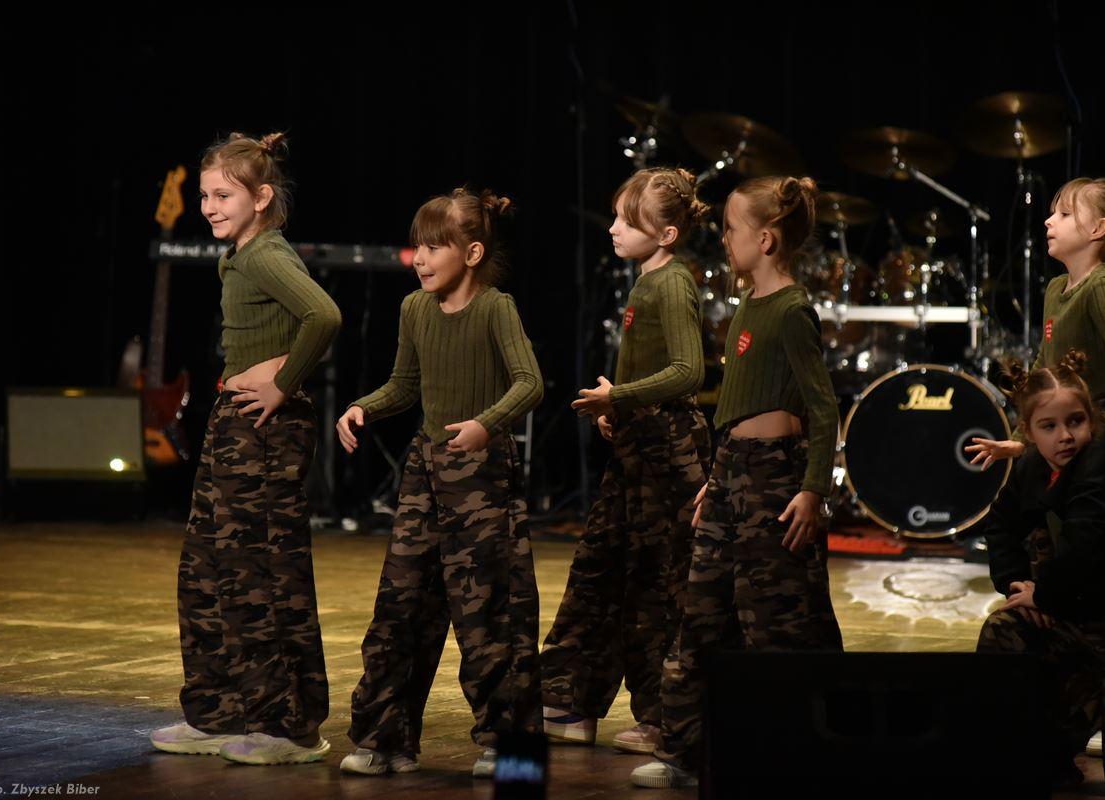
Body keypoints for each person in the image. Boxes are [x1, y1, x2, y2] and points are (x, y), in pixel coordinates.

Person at [632, 175, 844, 789]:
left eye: (730, 229)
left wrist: (813, 489)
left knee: (778, 623)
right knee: (701, 615)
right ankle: (684, 751)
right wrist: (718, 476)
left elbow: (823, 408)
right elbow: (734, 408)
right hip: (733, 475)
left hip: (775, 479)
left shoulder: (792, 311)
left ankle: (801, 750)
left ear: (766, 239)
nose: (723, 239)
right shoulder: (748, 304)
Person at [336, 188, 543, 779]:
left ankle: (510, 749)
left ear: (472, 253)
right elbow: (405, 384)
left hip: (482, 474)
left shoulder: (496, 308)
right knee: (400, 604)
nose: (420, 259)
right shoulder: (415, 309)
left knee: (488, 613)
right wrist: (365, 406)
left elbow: (529, 382)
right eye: (416, 247)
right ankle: (386, 738)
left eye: (434, 247)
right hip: (424, 471)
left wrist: (486, 424)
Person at [150, 132, 342, 766]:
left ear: (261, 198)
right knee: (207, 569)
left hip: (266, 428)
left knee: (261, 573)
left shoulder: (265, 255)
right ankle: (219, 710)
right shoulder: (237, 257)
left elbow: (324, 316)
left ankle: (290, 725)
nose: (209, 206)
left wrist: (283, 383)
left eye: (223, 195)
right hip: (234, 421)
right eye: (205, 195)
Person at [541, 167, 712, 755]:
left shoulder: (672, 283)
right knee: (601, 568)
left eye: (627, 221)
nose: (612, 229)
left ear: (666, 235)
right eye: (615, 216)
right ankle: (569, 702)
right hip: (639, 444)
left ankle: (668, 718)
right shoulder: (645, 283)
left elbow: (689, 371)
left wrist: (622, 396)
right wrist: (619, 406)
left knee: (661, 583)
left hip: (669, 451)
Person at [976, 349, 1105, 793]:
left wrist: (1044, 595)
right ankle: (1048, 738)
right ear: (1028, 432)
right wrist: (1018, 585)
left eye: (1076, 422)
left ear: (1091, 421)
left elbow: (1082, 551)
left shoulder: (1099, 467)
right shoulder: (1032, 464)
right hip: (1080, 614)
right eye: (1049, 426)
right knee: (1005, 630)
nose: (1065, 436)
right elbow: (1000, 525)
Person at [967, 177, 1105, 470]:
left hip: (1099, 435)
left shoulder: (1101, 285)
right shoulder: (1056, 288)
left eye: (1065, 214)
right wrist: (1020, 439)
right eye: (1052, 213)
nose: (1049, 221)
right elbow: (1044, 365)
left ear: (1098, 229)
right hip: (1066, 434)